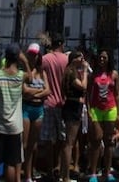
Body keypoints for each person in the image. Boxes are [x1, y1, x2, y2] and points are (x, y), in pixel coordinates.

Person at [0, 45, 26, 182]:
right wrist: (26, 62)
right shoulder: (21, 76)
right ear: (18, 57)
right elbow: (32, 78)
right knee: (11, 163)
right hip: (14, 126)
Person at [86, 50, 119, 182]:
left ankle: (107, 171)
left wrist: (118, 113)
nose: (102, 59)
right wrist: (89, 110)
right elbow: (88, 93)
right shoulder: (93, 74)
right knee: (96, 140)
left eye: (104, 57)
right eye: (100, 57)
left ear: (109, 59)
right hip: (96, 109)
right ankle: (94, 172)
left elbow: (117, 94)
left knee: (109, 141)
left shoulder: (114, 74)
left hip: (110, 109)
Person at [41, 36, 70, 182]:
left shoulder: (45, 59)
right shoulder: (66, 60)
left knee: (48, 140)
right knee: (63, 139)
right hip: (63, 104)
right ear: (61, 44)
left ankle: (49, 170)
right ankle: (59, 167)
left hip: (48, 102)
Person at [62, 50, 89, 182]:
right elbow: (83, 86)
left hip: (73, 106)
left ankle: (64, 173)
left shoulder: (71, 71)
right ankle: (65, 176)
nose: (83, 60)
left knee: (70, 142)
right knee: (69, 143)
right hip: (72, 108)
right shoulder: (71, 72)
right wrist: (84, 72)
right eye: (80, 57)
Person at [24, 43, 49, 182]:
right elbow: (24, 91)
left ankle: (30, 173)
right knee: (25, 144)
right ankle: (25, 173)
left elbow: (48, 90)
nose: (33, 57)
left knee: (33, 145)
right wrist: (40, 92)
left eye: (35, 54)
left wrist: (35, 94)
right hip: (27, 108)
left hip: (38, 109)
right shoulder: (25, 72)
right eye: (31, 54)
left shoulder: (42, 72)